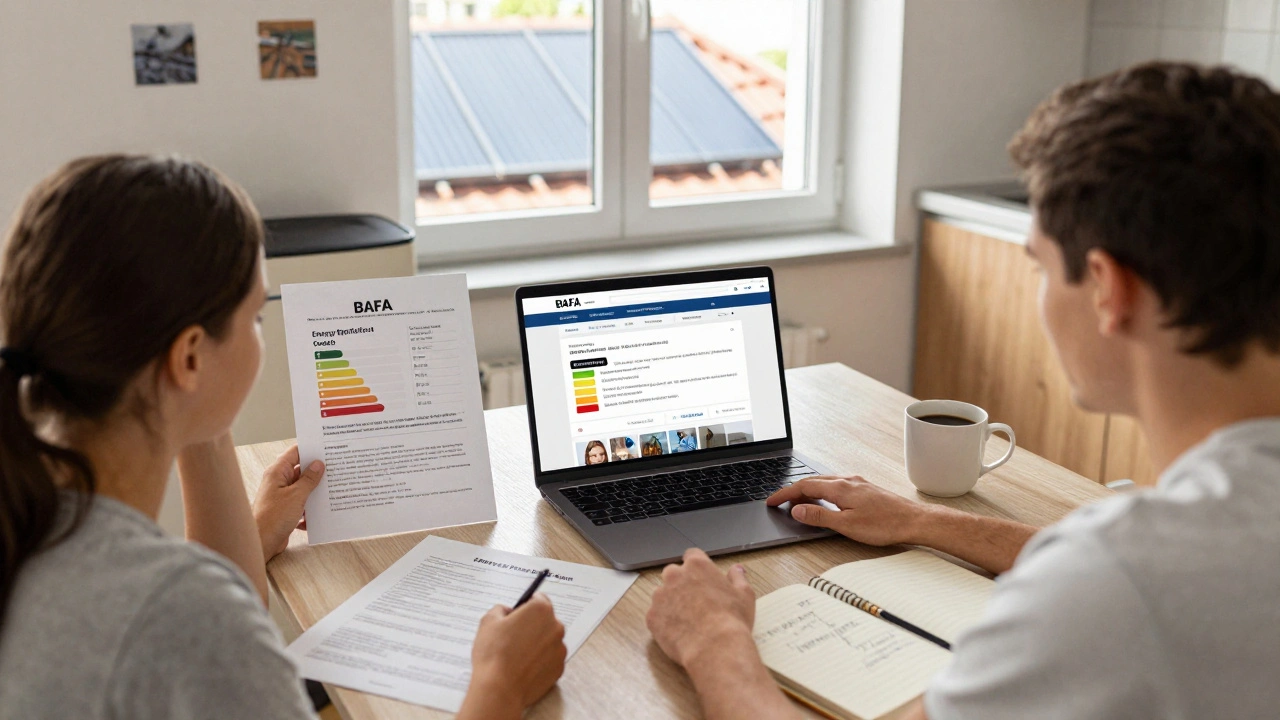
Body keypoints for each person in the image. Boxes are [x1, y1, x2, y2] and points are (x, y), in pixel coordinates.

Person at [645, 62, 1280, 719]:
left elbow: (1129, 578)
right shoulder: (1185, 548)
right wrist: (923, 522)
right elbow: (1173, 567)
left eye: (1038, 265)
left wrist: (714, 639)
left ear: (1106, 289)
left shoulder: (1116, 586)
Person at [0, 155, 566, 720]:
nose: (260, 335)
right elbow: (201, 620)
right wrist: (498, 688)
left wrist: (206, 438)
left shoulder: (34, 524)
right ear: (190, 356)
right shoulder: (181, 613)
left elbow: (219, 602)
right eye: (255, 318)